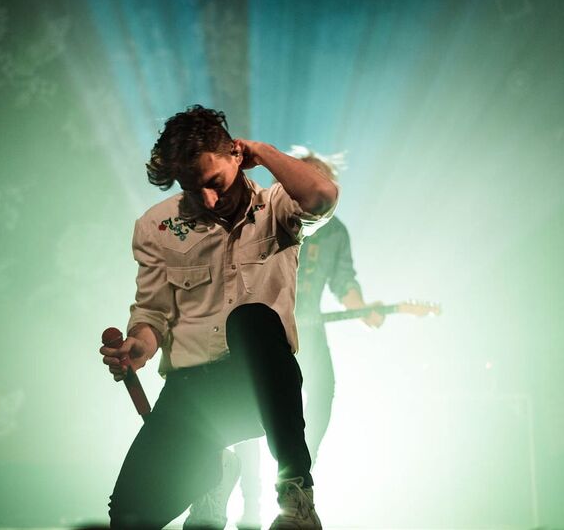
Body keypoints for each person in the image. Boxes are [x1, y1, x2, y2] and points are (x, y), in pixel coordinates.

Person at [99, 106, 338, 529]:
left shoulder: (276, 207)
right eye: (193, 189)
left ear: (236, 155)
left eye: (214, 182)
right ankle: (213, 469)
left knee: (251, 318)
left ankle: (296, 494)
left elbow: (321, 196)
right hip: (191, 394)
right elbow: (153, 312)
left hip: (260, 387)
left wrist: (263, 152)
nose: (208, 199)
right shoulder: (156, 226)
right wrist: (140, 344)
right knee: (128, 516)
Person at [232, 147, 385, 529]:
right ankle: (248, 498)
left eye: (320, 180)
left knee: (320, 398)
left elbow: (344, 279)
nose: (312, 185)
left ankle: (296, 484)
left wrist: (361, 308)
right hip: (264, 327)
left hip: (310, 333)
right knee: (250, 406)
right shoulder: (261, 215)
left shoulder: (334, 230)